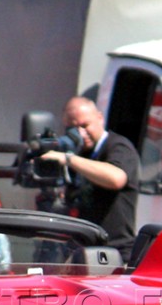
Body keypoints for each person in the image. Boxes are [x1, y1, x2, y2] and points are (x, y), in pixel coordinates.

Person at [41, 96, 139, 256]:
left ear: (100, 118)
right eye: (72, 129)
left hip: (115, 252)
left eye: (85, 125)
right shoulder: (79, 153)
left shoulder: (117, 146)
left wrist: (69, 159)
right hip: (80, 251)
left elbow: (116, 178)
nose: (81, 133)